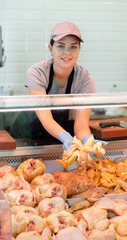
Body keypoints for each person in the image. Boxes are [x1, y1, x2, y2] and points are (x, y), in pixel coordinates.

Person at [25, 21, 105, 150]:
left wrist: (88, 142)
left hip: (68, 134)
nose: (67, 52)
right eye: (61, 46)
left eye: (73, 47)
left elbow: (81, 126)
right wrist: (66, 138)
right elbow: (45, 118)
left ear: (79, 50)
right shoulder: (37, 73)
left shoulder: (85, 79)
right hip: (35, 135)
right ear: (51, 48)